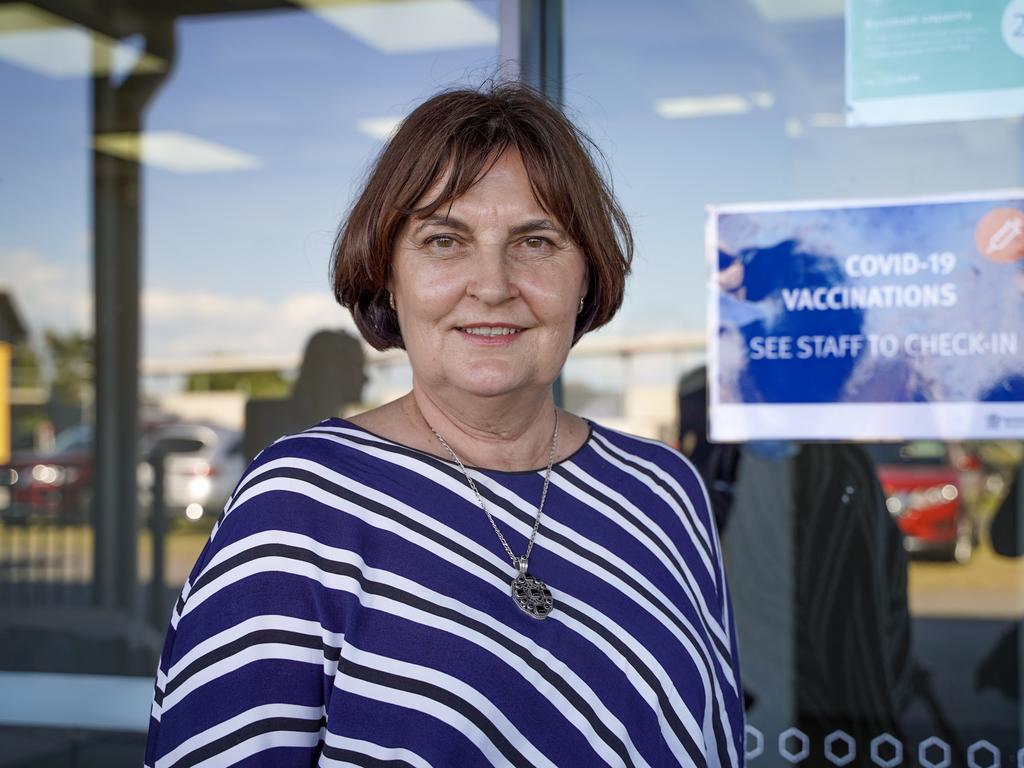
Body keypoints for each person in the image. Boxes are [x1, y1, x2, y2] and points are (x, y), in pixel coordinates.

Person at [145, 82, 745, 768]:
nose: (491, 284)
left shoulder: (665, 492)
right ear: (389, 277)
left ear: (585, 277)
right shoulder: (300, 506)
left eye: (535, 241)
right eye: (444, 240)